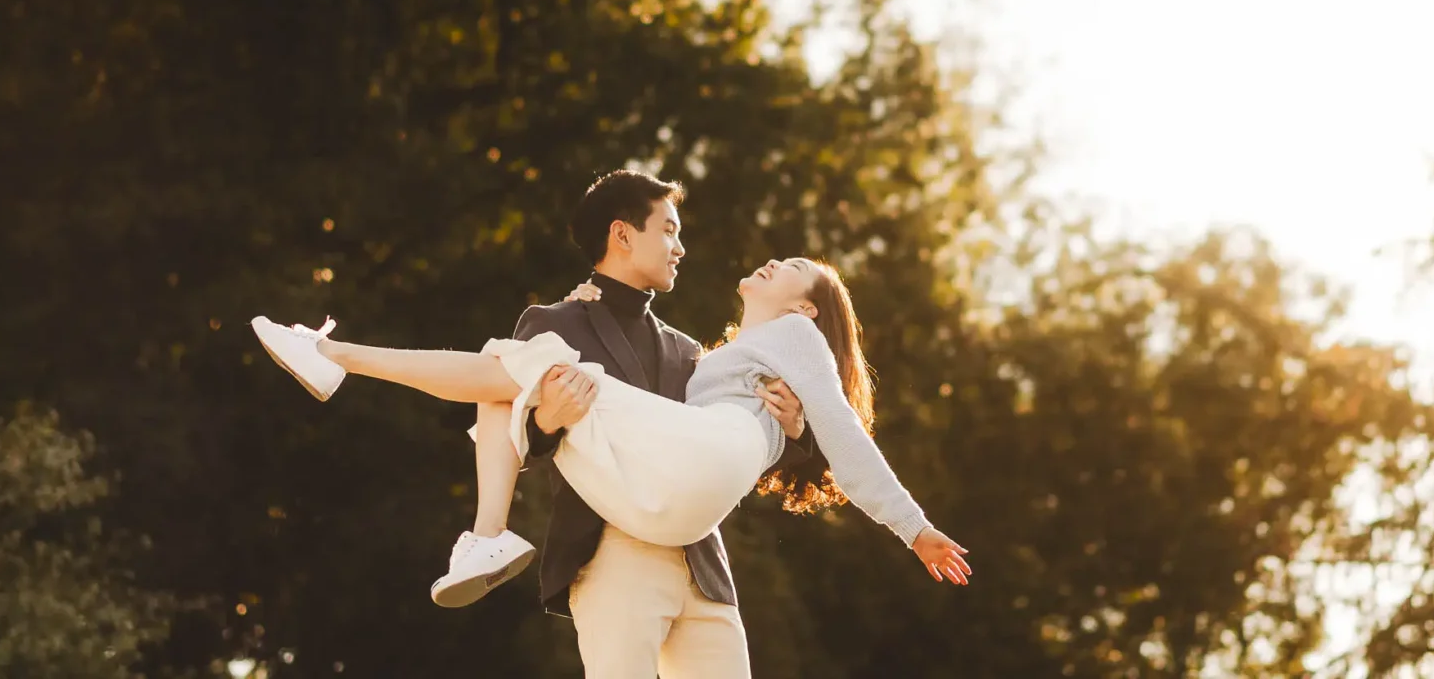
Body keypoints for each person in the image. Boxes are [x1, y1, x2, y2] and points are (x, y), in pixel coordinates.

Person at [252, 188, 973, 674]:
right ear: (622, 234)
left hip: (697, 548)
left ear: (808, 311)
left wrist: (818, 451)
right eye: (670, 229)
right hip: (622, 535)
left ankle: (338, 363)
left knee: (502, 367)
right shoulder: (563, 323)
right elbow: (536, 434)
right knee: (521, 366)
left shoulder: (705, 351)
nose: (682, 246)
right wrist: (544, 422)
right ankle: (336, 362)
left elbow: (824, 436)